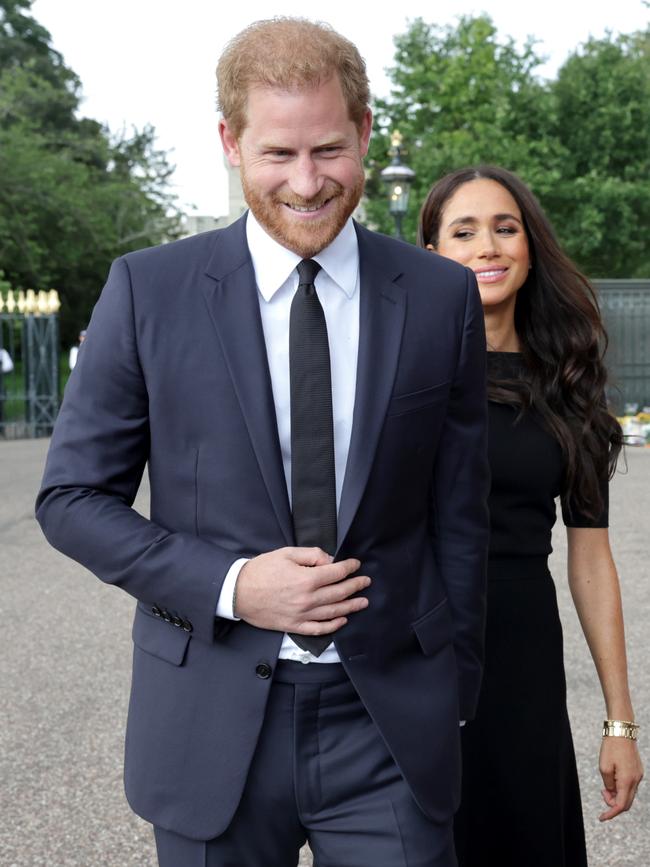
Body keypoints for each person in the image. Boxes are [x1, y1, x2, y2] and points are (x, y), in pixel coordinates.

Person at [35, 19, 490, 867]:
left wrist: (453, 684)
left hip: (387, 723)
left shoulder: (440, 297)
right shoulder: (150, 291)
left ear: (363, 132)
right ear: (230, 142)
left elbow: (458, 511)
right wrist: (234, 585)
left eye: (329, 149)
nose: (309, 183)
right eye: (278, 154)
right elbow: (69, 501)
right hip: (209, 717)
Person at [418, 165, 644, 867]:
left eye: (505, 228)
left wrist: (620, 721)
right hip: (413, 650)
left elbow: (590, 557)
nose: (488, 246)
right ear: (432, 255)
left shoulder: (567, 388)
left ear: (530, 246)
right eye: (465, 231)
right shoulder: (402, 375)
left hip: (522, 658)